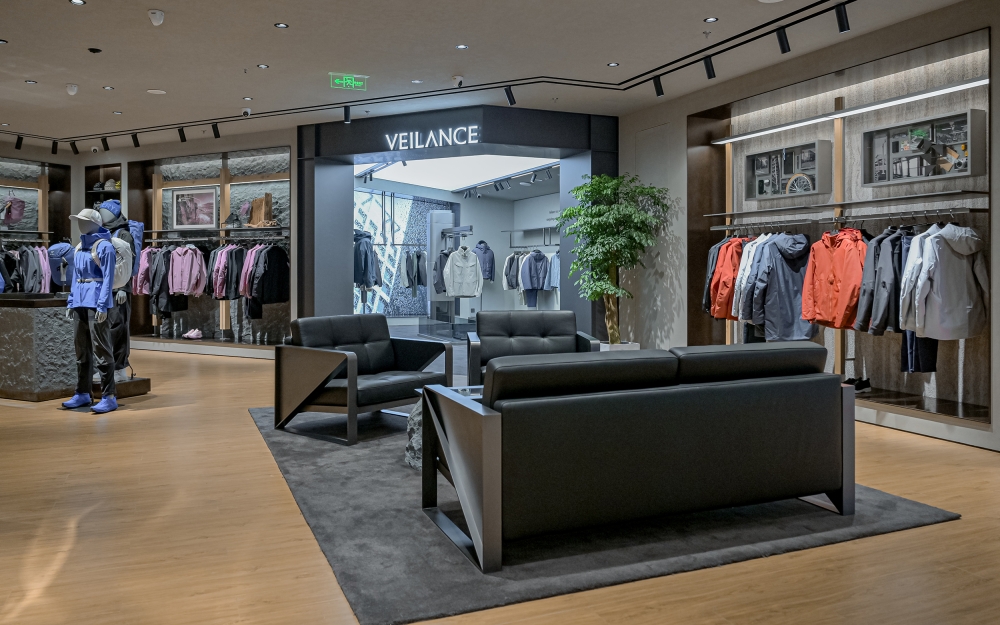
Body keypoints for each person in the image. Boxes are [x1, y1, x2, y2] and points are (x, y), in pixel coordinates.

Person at [61, 208, 118, 414]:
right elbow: (75, 278)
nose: (80, 224)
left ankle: (109, 396)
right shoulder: (78, 248)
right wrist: (71, 302)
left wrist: (103, 305)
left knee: (101, 349)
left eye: (84, 221)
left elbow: (108, 279)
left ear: (95, 223)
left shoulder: (105, 247)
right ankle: (82, 393)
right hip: (80, 302)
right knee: (81, 349)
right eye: (78, 221)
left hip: (96, 302)